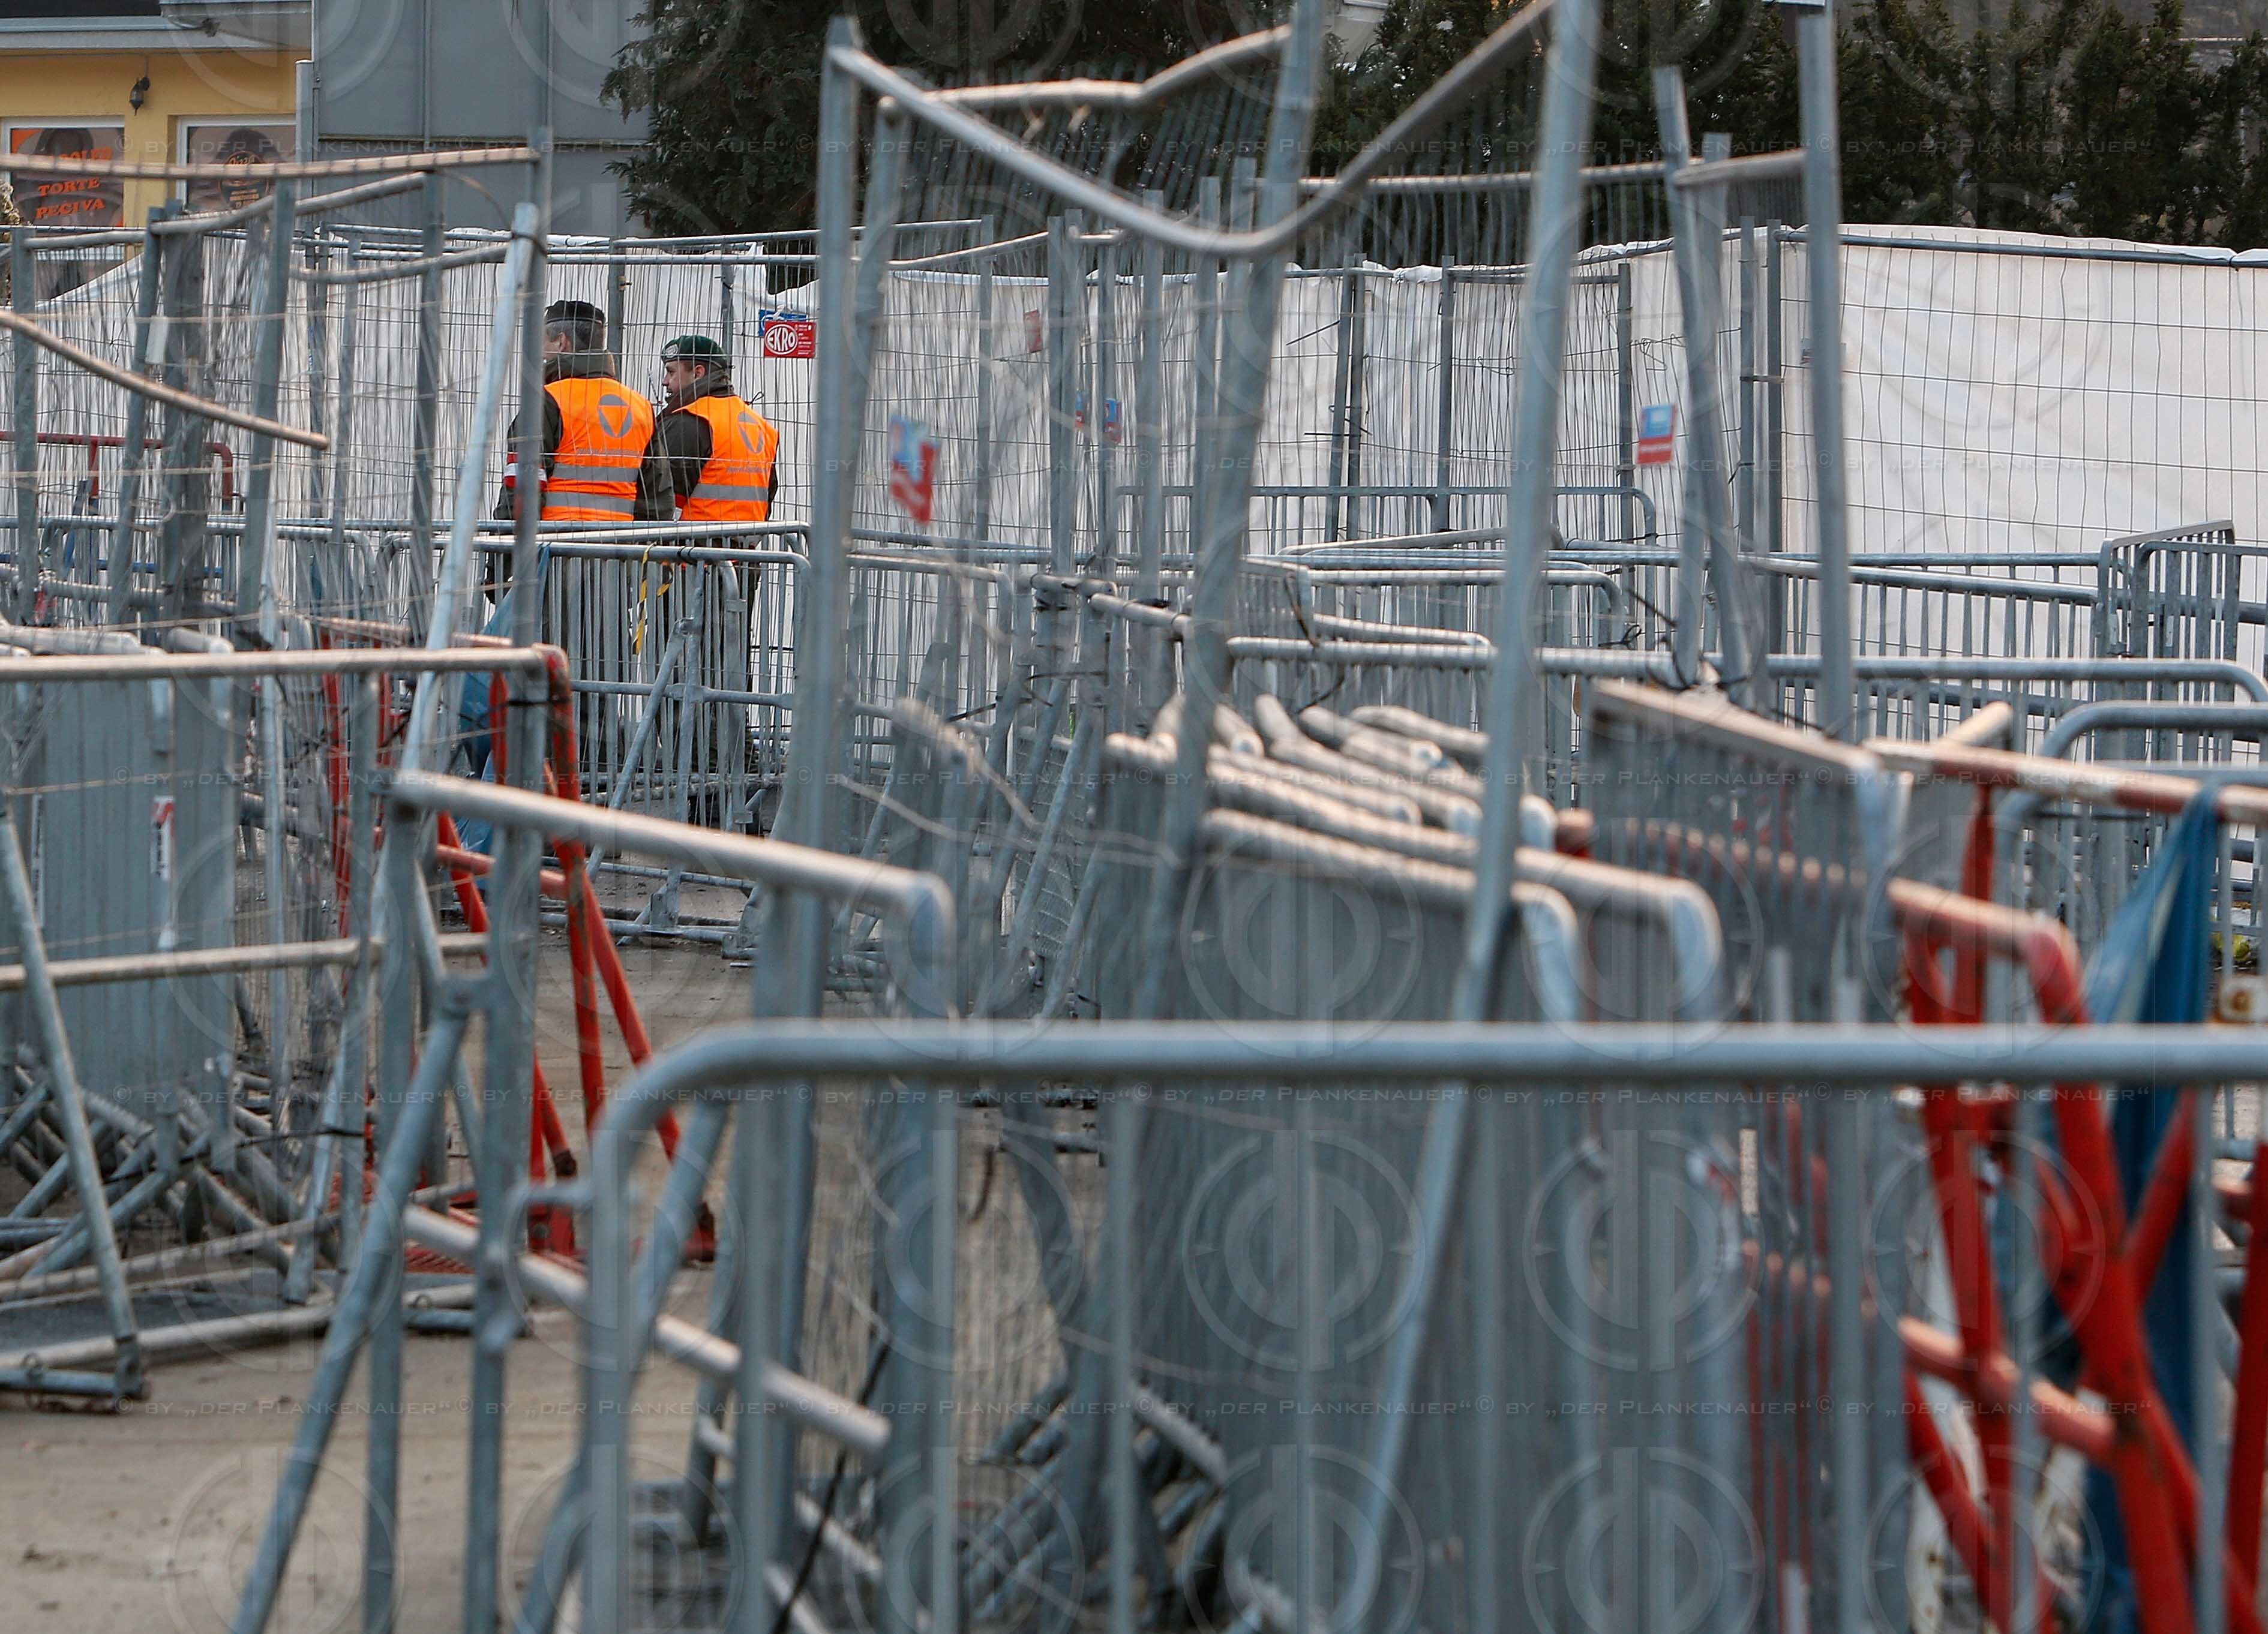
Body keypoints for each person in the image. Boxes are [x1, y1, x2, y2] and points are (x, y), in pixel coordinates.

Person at [493, 299, 668, 525]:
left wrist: (508, 541)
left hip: (558, 540)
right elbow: (657, 496)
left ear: (561, 342)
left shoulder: (547, 400)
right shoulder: (640, 406)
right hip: (621, 542)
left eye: (544, 344)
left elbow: (522, 486)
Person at [643, 334, 781, 524]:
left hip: (694, 540)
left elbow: (662, 499)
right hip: (748, 540)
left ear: (697, 373)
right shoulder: (762, 427)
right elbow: (767, 496)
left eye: (671, 372)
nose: (665, 381)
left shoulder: (689, 421)